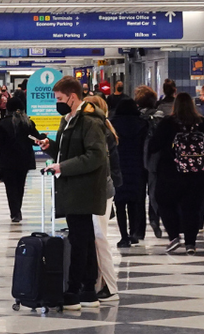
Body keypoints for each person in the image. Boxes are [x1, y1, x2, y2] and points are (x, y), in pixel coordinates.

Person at [38, 77, 109, 310]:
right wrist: (52, 149)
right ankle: (88, 290)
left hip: (85, 188)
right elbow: (67, 153)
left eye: (59, 99)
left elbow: (96, 155)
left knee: (80, 240)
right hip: (73, 187)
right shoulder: (68, 120)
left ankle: (74, 289)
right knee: (84, 238)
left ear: (72, 96)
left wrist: (63, 167)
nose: (57, 103)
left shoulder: (89, 121)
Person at [150, 92, 204, 255]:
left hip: (170, 173)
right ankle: (190, 243)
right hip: (198, 175)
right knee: (192, 208)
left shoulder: (168, 123)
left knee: (165, 203)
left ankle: (174, 237)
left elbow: (154, 145)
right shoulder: (203, 123)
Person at [83, 95, 122, 302]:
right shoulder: (105, 130)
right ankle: (98, 283)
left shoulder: (102, 131)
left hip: (101, 190)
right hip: (102, 190)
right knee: (96, 237)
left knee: (100, 237)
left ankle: (110, 285)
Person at [0, 96, 40, 222]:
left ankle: (15, 212)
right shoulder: (28, 123)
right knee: (20, 185)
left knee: (10, 187)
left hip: (7, 161)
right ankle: (17, 209)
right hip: (24, 160)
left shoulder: (3, 123)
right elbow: (36, 140)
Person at [111, 97, 149, 247]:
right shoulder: (143, 124)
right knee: (135, 201)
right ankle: (134, 233)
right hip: (138, 166)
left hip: (118, 166)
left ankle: (123, 236)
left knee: (120, 203)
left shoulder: (112, 124)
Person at [134, 85, 164, 238]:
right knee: (154, 191)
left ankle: (139, 230)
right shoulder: (160, 116)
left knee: (139, 195)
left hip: (138, 159)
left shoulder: (136, 117)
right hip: (155, 159)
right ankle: (155, 218)